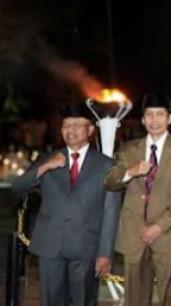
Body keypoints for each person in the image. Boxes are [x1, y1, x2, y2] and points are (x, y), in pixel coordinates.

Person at [13, 104, 121, 306]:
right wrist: (45, 167)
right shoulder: (48, 158)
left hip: (86, 249)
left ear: (90, 130)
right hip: (51, 247)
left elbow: (111, 212)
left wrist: (105, 253)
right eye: (66, 126)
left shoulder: (107, 165)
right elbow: (18, 187)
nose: (71, 130)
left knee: (83, 301)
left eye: (77, 125)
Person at [104, 94, 171, 306]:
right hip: (133, 235)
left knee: (170, 298)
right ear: (143, 119)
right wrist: (131, 171)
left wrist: (159, 226)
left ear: (170, 118)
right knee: (135, 299)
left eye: (160, 115)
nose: (155, 120)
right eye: (149, 115)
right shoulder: (129, 149)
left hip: (168, 234)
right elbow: (109, 181)